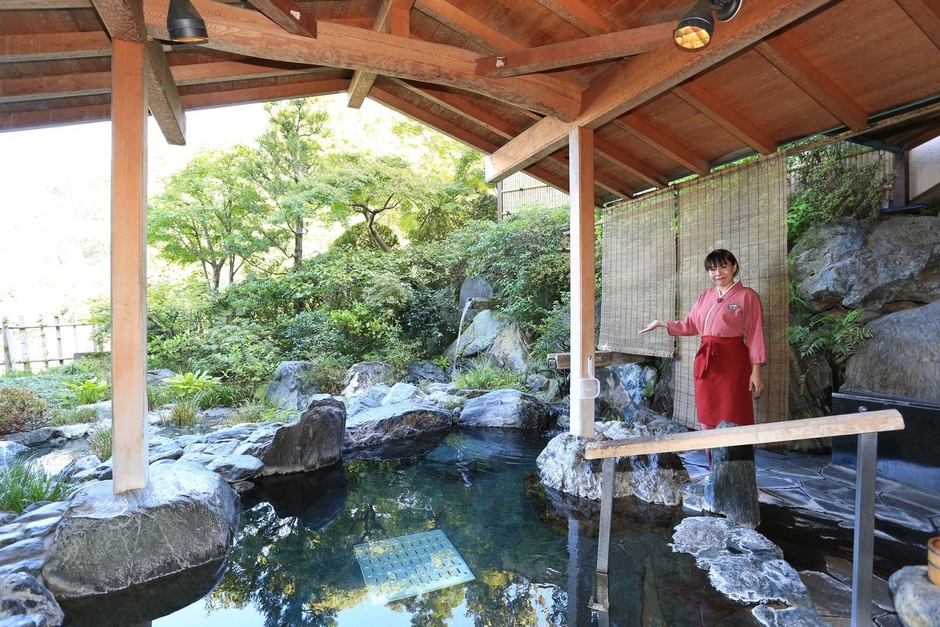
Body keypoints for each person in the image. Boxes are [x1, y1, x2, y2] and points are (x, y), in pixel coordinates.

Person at [639, 249, 765, 433]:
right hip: (706, 362)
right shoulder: (705, 296)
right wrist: (662, 323)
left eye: (723, 266)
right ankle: (712, 460)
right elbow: (691, 325)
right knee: (707, 411)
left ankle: (735, 459)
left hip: (733, 363)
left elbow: (755, 335)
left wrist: (756, 371)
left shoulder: (747, 296)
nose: (718, 273)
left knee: (734, 411)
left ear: (734, 267)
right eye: (712, 269)